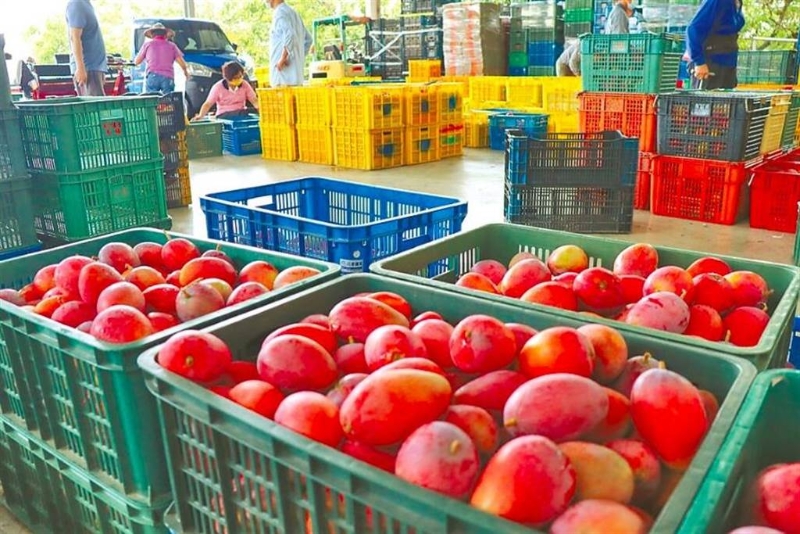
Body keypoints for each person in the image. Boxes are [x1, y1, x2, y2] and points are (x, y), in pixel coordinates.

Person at [686, 0, 745, 89]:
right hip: (710, 62)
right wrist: (699, 62)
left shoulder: (737, 3)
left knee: (726, 101)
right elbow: (693, 28)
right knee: (705, 100)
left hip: (728, 63)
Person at [266, 0, 313, 87]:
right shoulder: (294, 13)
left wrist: (283, 58)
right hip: (297, 77)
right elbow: (309, 40)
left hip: (283, 78)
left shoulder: (279, 13)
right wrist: (298, 57)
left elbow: (290, 34)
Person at [65, 0, 107, 96]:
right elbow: (75, 37)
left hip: (94, 68)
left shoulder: (86, 4)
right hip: (88, 67)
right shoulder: (76, 3)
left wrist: (101, 68)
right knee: (95, 108)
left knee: (98, 106)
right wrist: (80, 67)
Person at [192, 61, 258, 120]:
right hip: (223, 116)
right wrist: (200, 116)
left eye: (240, 76)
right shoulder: (218, 87)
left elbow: (254, 100)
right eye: (235, 78)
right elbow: (208, 104)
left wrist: (260, 109)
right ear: (227, 78)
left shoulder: (245, 84)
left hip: (241, 114)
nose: (239, 79)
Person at [134, 23, 189, 95]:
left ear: (152, 35)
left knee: (152, 100)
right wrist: (186, 72)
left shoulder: (147, 45)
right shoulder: (172, 46)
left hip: (152, 76)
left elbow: (137, 61)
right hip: (168, 77)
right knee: (168, 101)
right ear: (165, 35)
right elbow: (182, 63)